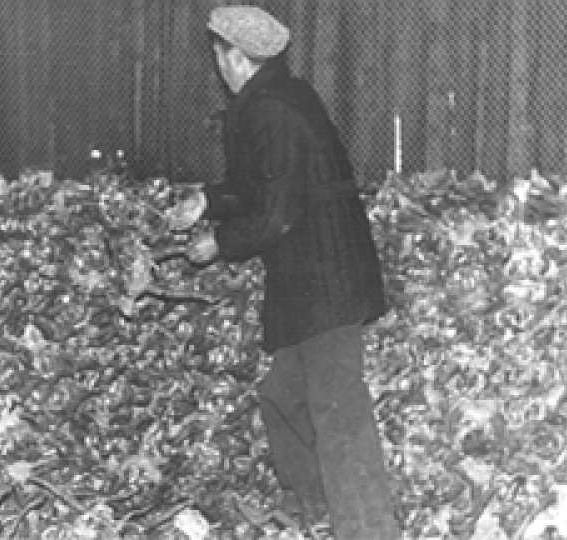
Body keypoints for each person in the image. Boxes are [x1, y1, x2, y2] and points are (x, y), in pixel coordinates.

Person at [166, 5, 401, 539]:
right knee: (283, 396)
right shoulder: (279, 98)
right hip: (314, 279)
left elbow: (275, 214)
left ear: (237, 58)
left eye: (219, 57)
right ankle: (317, 505)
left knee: (337, 407)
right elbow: (261, 186)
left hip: (328, 279)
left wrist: (218, 244)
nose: (217, 68)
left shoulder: (271, 111)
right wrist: (206, 202)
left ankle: (368, 529)